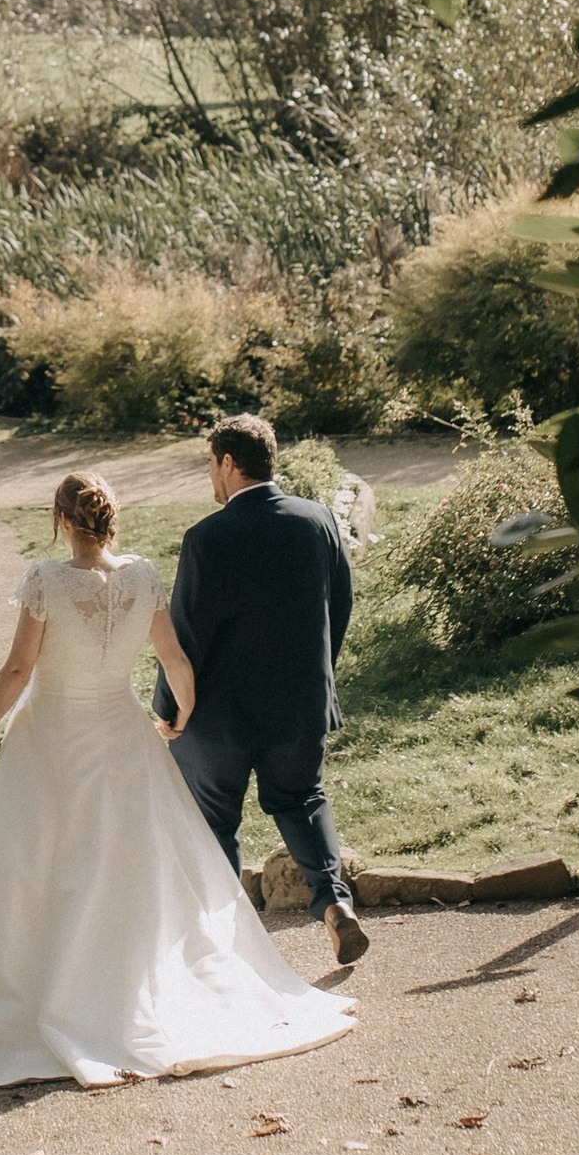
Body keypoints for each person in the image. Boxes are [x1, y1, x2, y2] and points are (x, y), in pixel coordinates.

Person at [0, 465, 355, 1087]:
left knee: (39, 864)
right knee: (123, 866)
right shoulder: (144, 575)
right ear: (108, 518)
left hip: (51, 739)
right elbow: (175, 661)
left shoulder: (45, 580)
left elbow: (17, 670)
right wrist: (179, 720)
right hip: (121, 735)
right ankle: (123, 988)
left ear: (62, 521)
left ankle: (47, 992)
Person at [155, 412, 366, 971]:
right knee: (303, 798)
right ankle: (336, 905)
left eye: (210, 465)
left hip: (218, 719)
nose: (210, 477)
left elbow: (186, 634)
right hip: (299, 706)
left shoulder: (207, 537)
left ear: (228, 463)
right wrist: (316, 675)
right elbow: (338, 606)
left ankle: (226, 941)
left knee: (213, 820)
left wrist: (170, 709)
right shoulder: (317, 520)